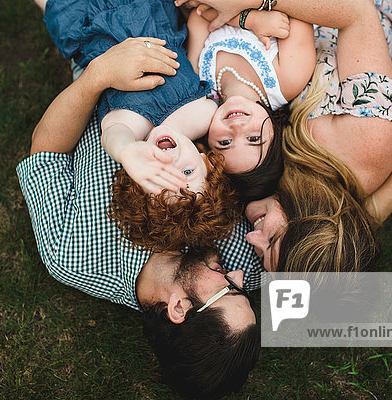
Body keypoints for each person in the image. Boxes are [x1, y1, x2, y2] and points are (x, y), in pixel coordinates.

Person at [18, 7, 264, 399]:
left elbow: (44, 151)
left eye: (229, 292)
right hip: (171, 31)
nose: (238, 278)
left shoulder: (70, 256)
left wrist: (100, 73)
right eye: (242, 291)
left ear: (179, 308)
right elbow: (344, 275)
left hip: (92, 37)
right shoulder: (244, 257)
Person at [189, 0, 392, 273]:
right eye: (272, 240)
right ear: (309, 220)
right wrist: (254, 3)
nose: (251, 238)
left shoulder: (303, 195)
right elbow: (358, 14)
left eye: (260, 252)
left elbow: (354, 227)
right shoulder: (363, 141)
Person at [41, 0, 241, 252]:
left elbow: (115, 134)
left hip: (88, 17)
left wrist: (127, 152)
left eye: (160, 178)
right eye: (188, 172)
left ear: (137, 180)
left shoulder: (133, 124)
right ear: (207, 162)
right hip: (151, 9)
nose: (170, 161)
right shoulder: (204, 113)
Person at [176, 0, 317, 202]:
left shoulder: (200, 80)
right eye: (253, 138)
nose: (237, 128)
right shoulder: (289, 78)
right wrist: (248, 17)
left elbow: (198, 17)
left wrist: (249, 20)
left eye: (225, 142)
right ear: (275, 134)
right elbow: (300, 9)